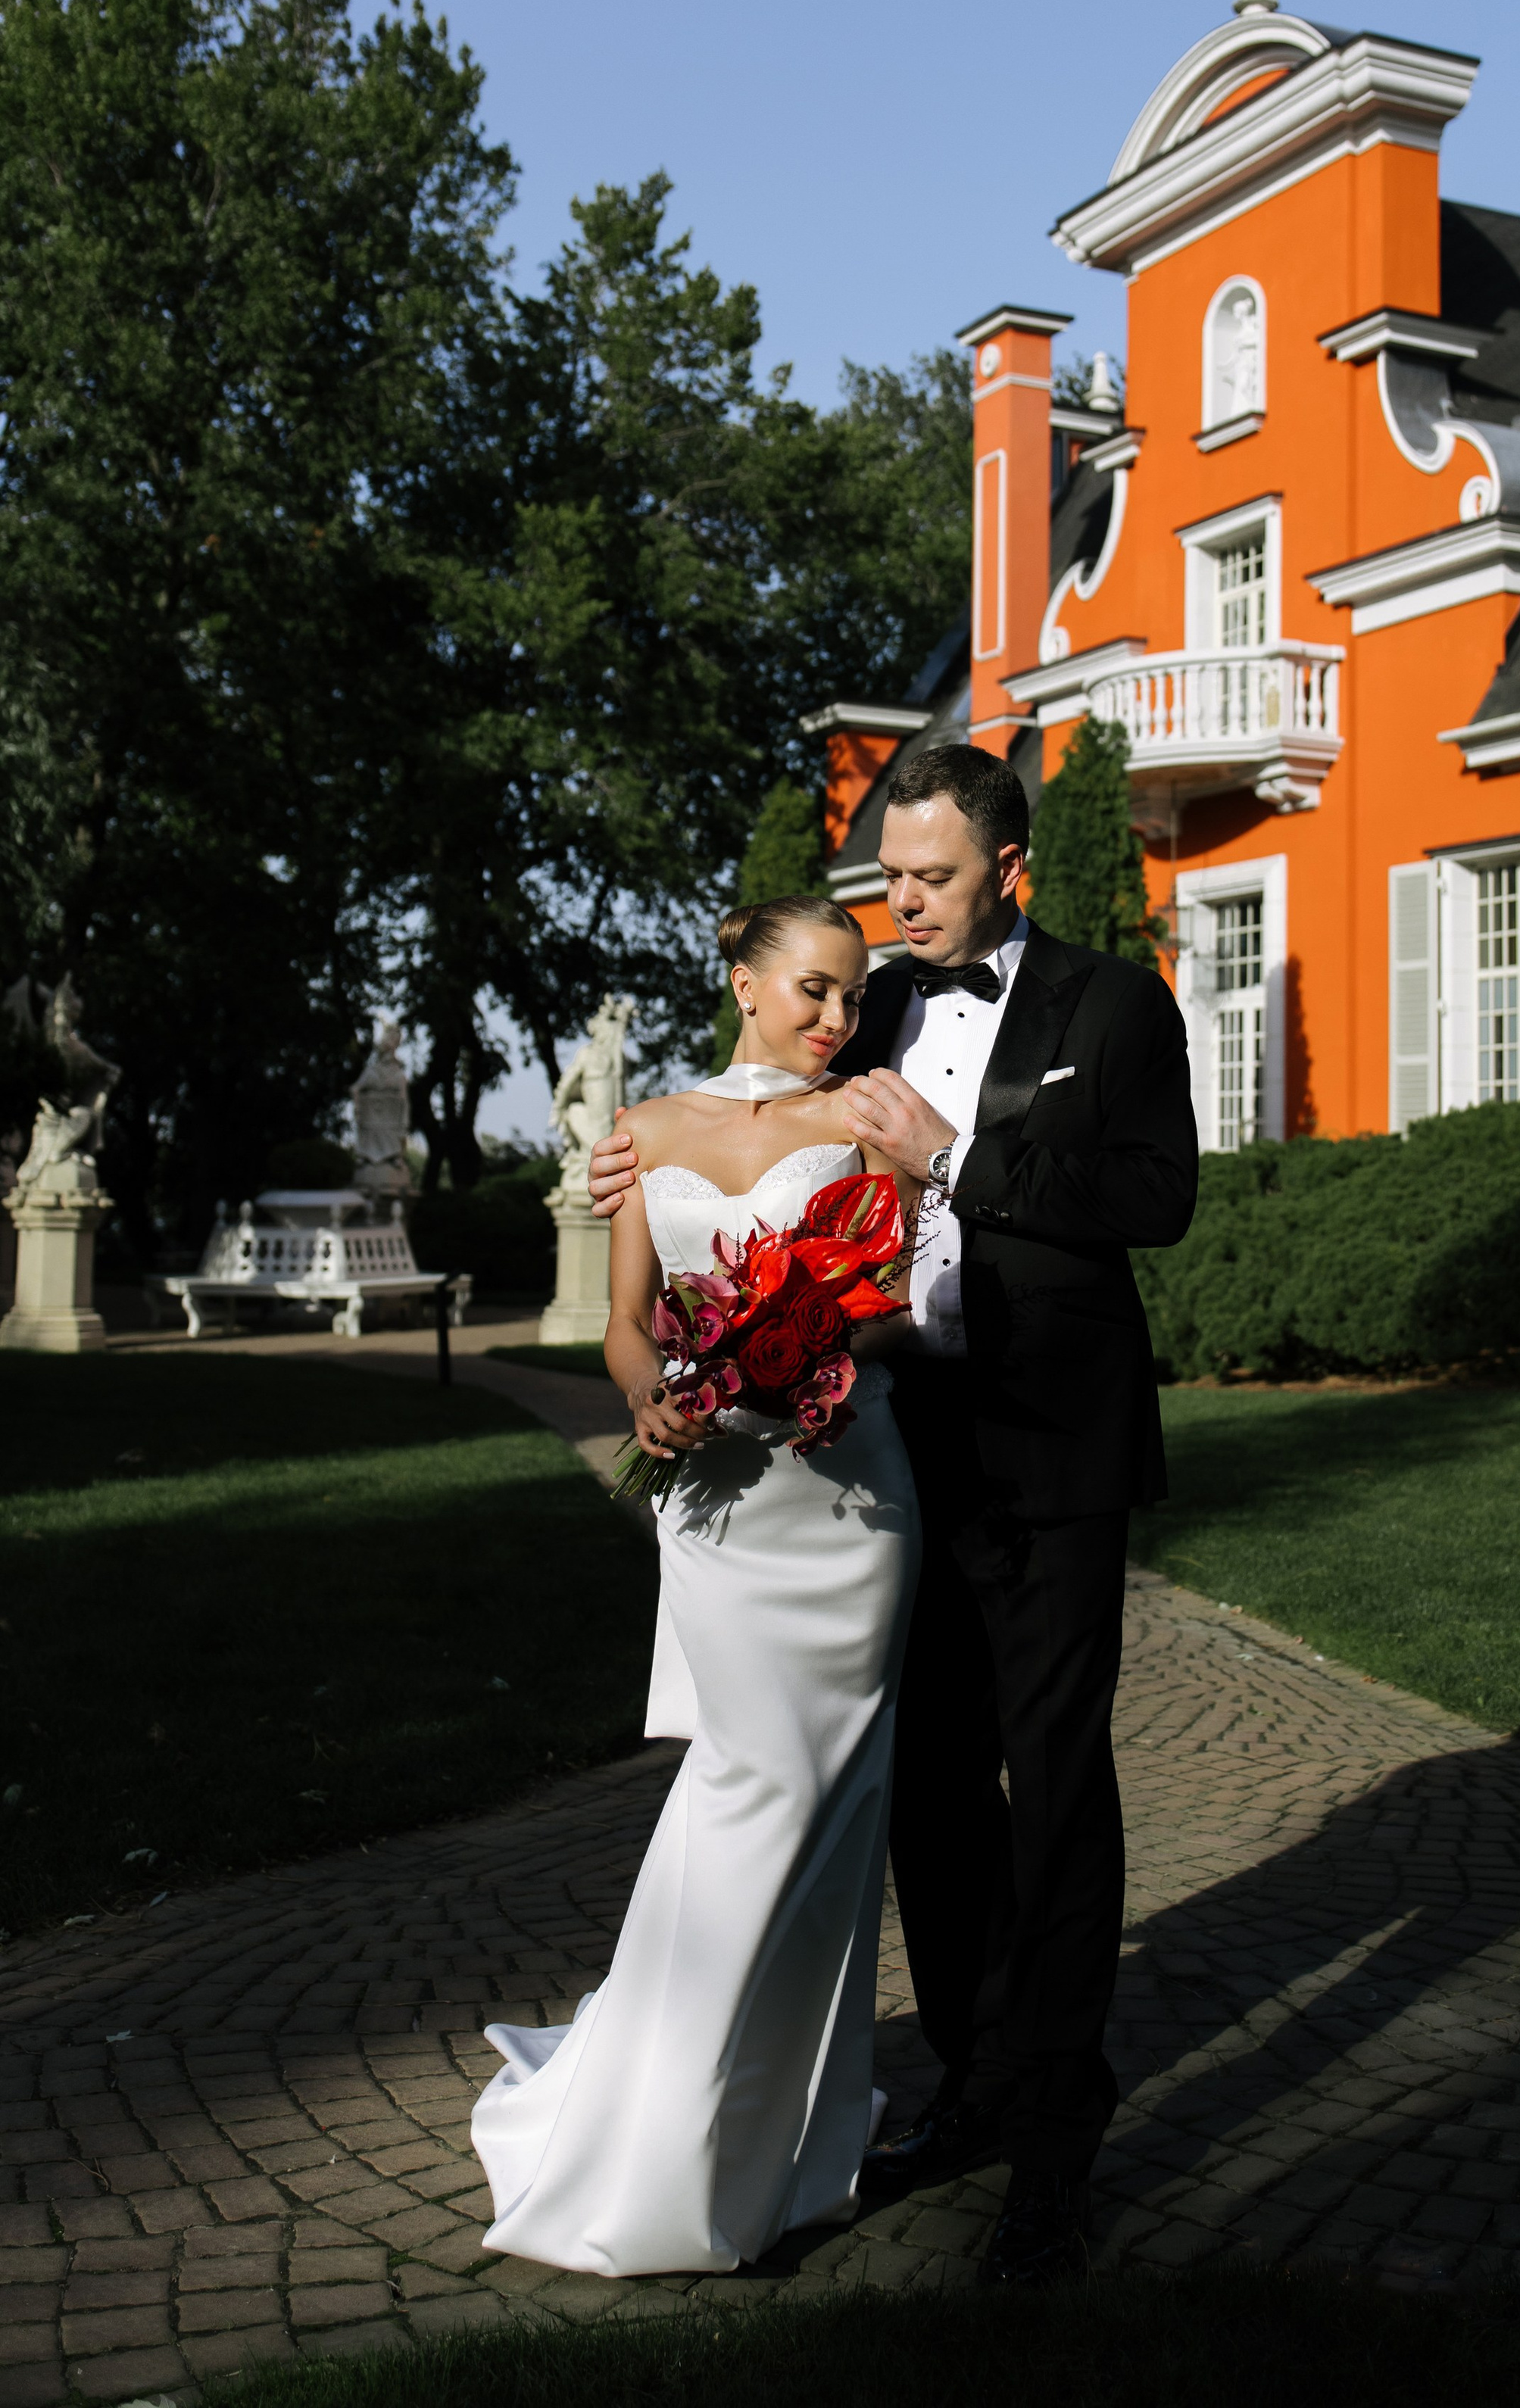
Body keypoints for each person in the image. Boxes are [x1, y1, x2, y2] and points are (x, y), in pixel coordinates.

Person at [588, 744, 1198, 2284]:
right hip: (890, 1465)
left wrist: (965, 1162)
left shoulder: (1112, 1007)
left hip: (1051, 1456)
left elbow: (1153, 1201)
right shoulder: (865, 1008)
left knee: (1054, 1791)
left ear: (1009, 867)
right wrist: (628, 1156)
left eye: (928, 876)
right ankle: (977, 2091)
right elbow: (728, 1133)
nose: (899, 901)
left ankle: (1055, 2146)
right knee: (929, 1793)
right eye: (887, 876)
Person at [470, 897, 922, 2277]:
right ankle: (660, 2124)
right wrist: (649, 1404)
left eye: (852, 997)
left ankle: (773, 2134)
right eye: (813, 989)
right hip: (717, 1504)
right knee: (746, 1780)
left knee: (829, 1811)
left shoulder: (868, 1123)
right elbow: (624, 1325)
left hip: (843, 1502)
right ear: (741, 980)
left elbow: (886, 1294)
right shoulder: (646, 1133)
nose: (836, 1020)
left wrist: (820, 1350)